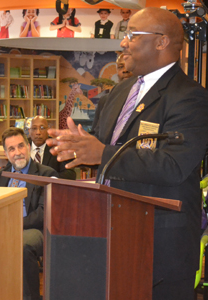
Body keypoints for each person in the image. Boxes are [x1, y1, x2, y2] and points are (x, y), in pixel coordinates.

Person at [47, 7, 208, 299]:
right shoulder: (120, 92)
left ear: (161, 42)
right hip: (109, 233)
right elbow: (104, 146)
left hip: (159, 244)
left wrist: (102, 154)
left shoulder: (190, 97)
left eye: (132, 35)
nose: (123, 43)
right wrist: (79, 146)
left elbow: (173, 164)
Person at [0, 128, 58, 300]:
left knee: (21, 245)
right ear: (6, 154)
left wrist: (15, 224)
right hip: (3, 228)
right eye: (11, 149)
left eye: (21, 146)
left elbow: (44, 213)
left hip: (35, 229)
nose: (18, 153)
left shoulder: (46, 173)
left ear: (28, 147)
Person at [91, 53, 133, 131]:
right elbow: (95, 133)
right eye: (120, 67)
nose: (125, 70)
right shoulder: (105, 100)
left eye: (129, 65)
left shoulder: (145, 98)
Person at [29, 116, 75, 180]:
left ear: (48, 130)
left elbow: (70, 174)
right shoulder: (21, 146)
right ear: (29, 131)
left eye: (42, 128)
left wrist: (50, 180)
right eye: (34, 128)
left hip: (49, 187)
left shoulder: (57, 147)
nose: (38, 132)